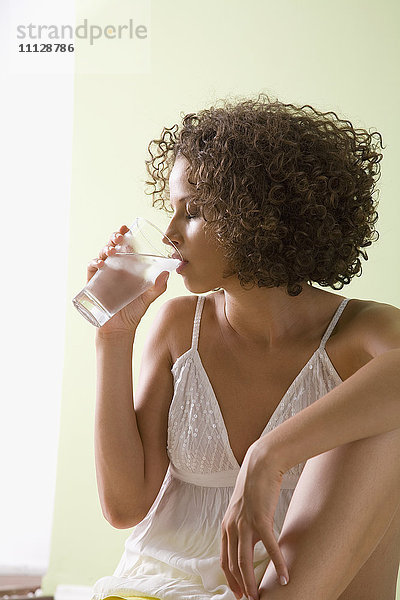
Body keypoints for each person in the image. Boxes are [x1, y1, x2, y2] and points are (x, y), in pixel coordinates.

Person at [88, 94, 400, 600]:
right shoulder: (177, 326)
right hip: (156, 588)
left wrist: (270, 453)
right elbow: (124, 507)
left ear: (260, 216)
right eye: (172, 210)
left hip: (285, 587)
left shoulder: (362, 331)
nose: (169, 235)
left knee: (385, 418)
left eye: (194, 212)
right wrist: (113, 336)